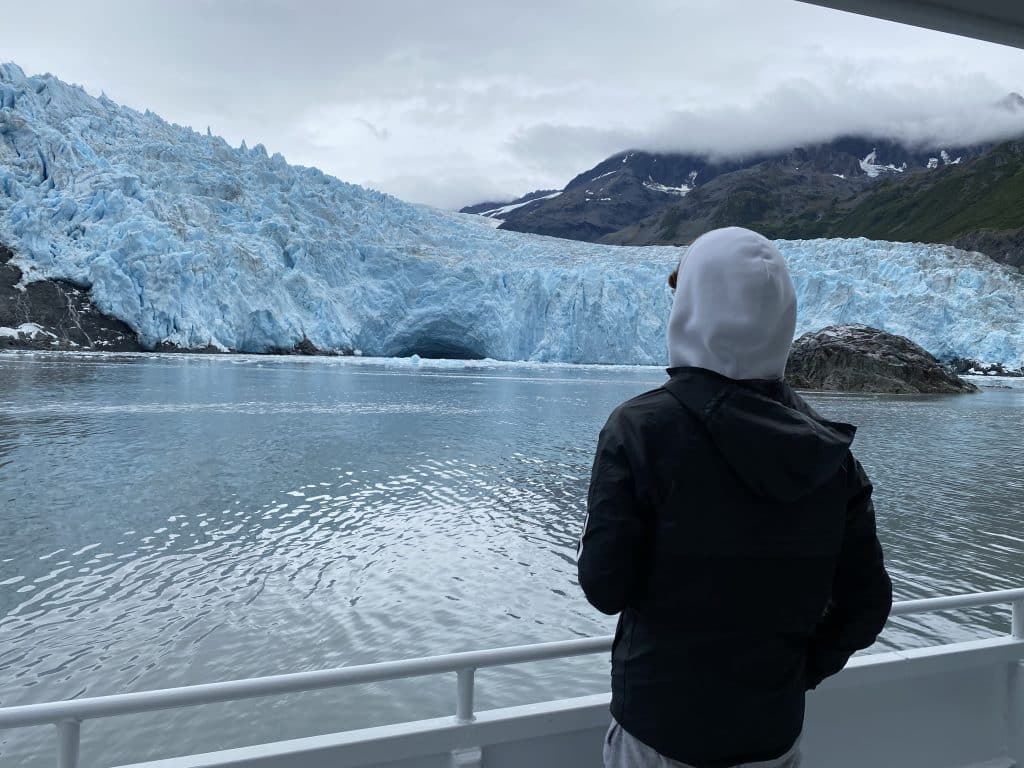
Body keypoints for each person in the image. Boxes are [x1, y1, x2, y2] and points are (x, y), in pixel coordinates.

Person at [577, 227, 893, 768]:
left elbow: (606, 587)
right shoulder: (827, 450)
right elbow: (866, 606)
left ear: (694, 310)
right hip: (772, 736)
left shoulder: (640, 429)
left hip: (659, 726)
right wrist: (795, 671)